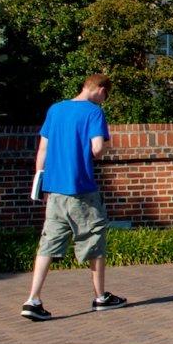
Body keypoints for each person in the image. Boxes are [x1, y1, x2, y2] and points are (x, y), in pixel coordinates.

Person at [21, 73, 126, 320]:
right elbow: (97, 148)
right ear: (99, 89)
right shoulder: (93, 112)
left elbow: (43, 150)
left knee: (48, 243)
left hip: (54, 189)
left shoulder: (55, 110)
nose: (104, 100)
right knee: (94, 239)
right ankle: (101, 297)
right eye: (105, 95)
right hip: (81, 189)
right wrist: (103, 150)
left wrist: (41, 181)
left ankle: (32, 299)